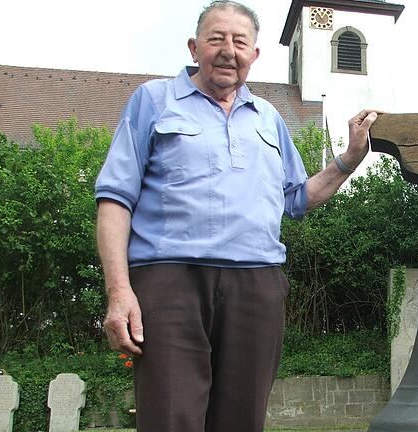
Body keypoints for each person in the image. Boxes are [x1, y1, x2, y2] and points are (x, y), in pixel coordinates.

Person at [94, 2, 378, 431]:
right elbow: (115, 199)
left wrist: (349, 159)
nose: (229, 50)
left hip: (257, 284)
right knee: (171, 418)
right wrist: (119, 292)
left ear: (255, 55)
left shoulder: (269, 118)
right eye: (216, 39)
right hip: (170, 280)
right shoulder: (153, 100)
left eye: (240, 41)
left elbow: (297, 199)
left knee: (242, 422)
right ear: (194, 48)